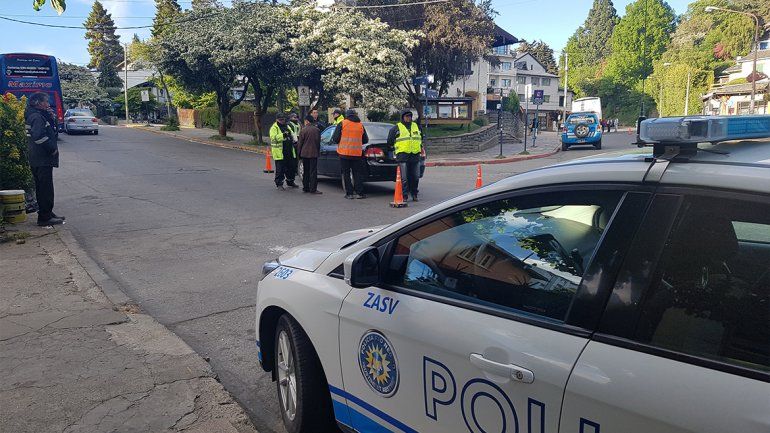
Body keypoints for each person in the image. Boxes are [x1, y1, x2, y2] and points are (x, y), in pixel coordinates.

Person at [25, 92, 63, 226]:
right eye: (45, 102)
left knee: (43, 187)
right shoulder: (36, 116)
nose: (48, 104)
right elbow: (39, 136)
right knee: (45, 188)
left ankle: (47, 212)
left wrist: (51, 118)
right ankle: (45, 217)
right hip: (41, 158)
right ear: (38, 103)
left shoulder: (38, 115)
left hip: (38, 158)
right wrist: (51, 149)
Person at [332, 109, 368, 199]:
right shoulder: (360, 125)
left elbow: (335, 138)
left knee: (346, 174)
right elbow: (365, 140)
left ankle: (349, 193)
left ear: (347, 115)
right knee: (357, 173)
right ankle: (360, 193)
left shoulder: (342, 123)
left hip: (344, 153)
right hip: (357, 154)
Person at [387, 109, 422, 202]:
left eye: (410, 116)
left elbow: (420, 139)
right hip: (402, 156)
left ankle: (414, 194)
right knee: (404, 178)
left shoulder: (416, 126)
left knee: (416, 176)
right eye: (406, 116)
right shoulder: (396, 128)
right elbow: (390, 141)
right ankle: (405, 195)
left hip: (415, 155)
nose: (408, 118)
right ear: (402, 117)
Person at [269, 113, 299, 190]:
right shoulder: (274, 128)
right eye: (281, 119)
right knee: (280, 169)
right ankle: (279, 184)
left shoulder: (287, 126)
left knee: (291, 167)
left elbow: (292, 133)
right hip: (280, 152)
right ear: (277, 120)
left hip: (289, 150)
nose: (282, 121)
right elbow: (273, 137)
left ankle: (290, 181)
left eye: (283, 119)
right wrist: (283, 135)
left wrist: (295, 140)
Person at [297, 115, 322, 194]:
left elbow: (300, 144)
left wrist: (299, 154)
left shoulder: (303, 130)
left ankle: (305, 187)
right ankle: (313, 189)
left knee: (306, 171)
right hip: (314, 154)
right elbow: (318, 143)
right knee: (313, 172)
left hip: (304, 154)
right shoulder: (317, 130)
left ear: (307, 121)